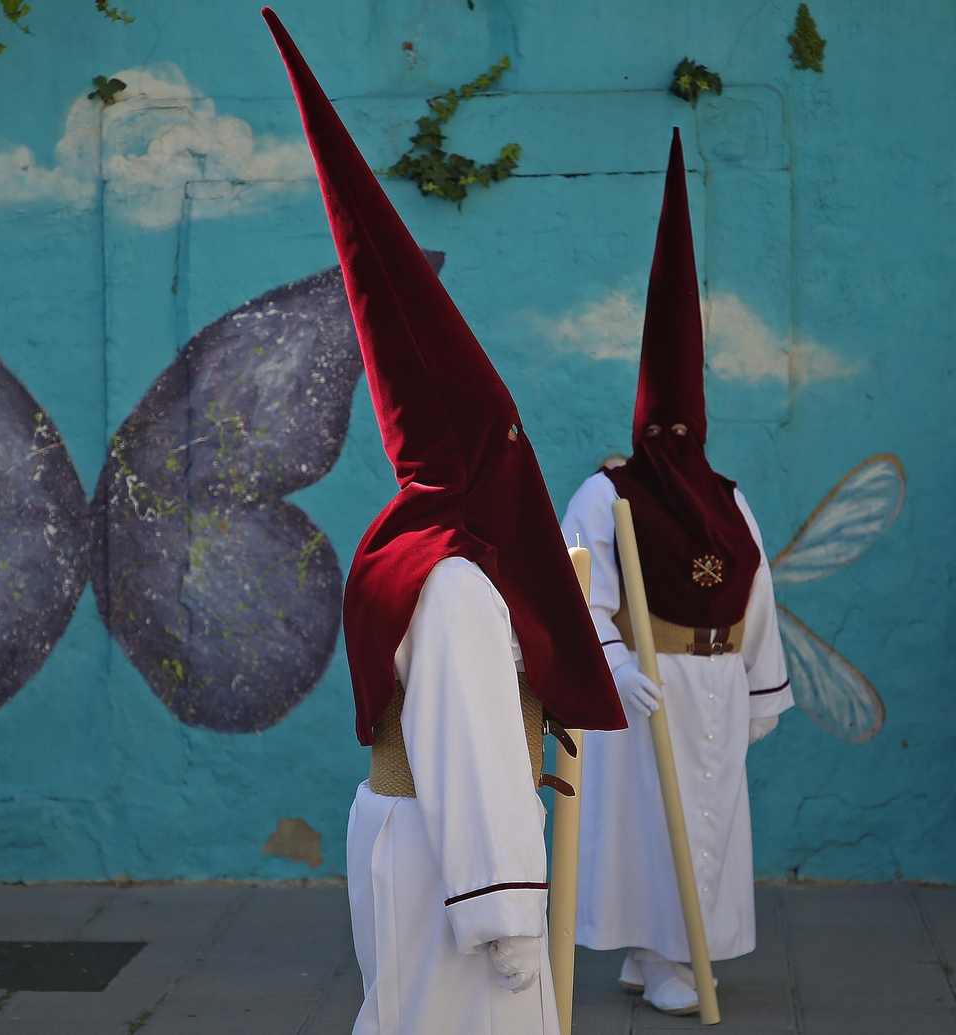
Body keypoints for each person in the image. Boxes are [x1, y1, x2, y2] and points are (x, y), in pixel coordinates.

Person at [263, 10, 628, 1034]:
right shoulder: (458, 585)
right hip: (448, 859)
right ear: (483, 453)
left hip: (405, 834)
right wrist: (510, 918)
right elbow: (467, 759)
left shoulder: (401, 545)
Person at [567, 130, 792, 1017]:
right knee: (651, 833)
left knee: (706, 827)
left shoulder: (727, 497)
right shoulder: (606, 490)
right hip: (649, 686)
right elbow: (576, 586)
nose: (678, 445)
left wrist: (759, 686)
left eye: (687, 428)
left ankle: (663, 953)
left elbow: (757, 589)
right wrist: (616, 666)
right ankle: (664, 957)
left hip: (715, 685)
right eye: (666, 428)